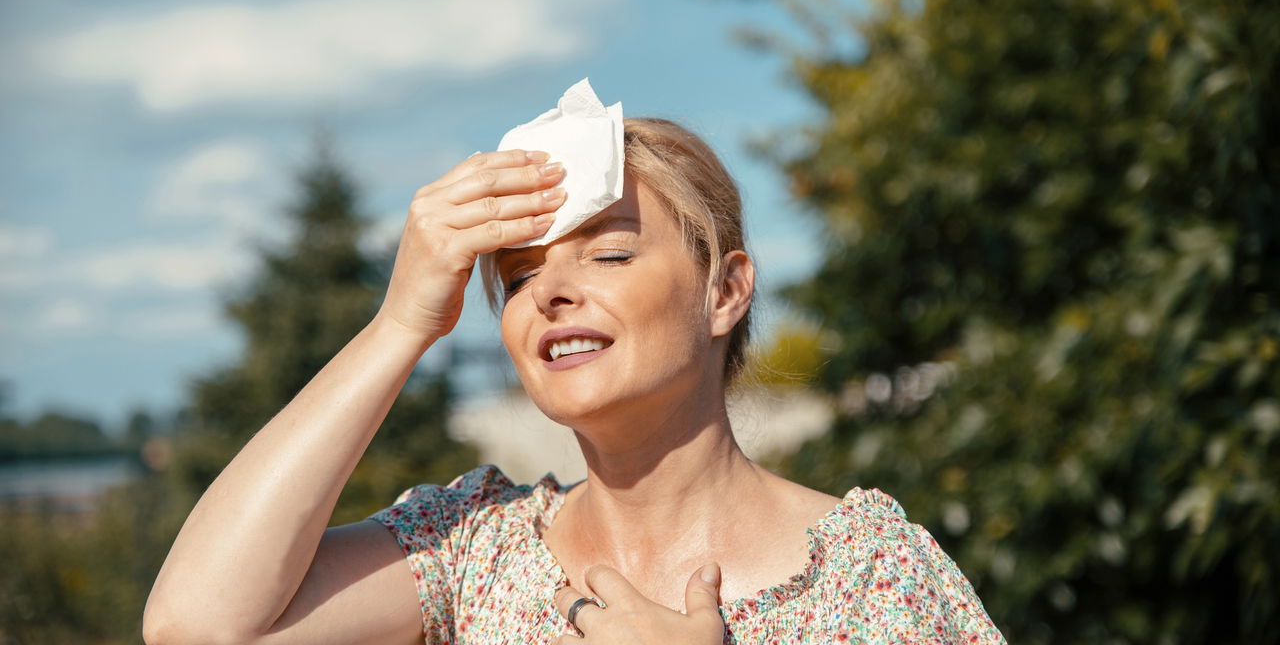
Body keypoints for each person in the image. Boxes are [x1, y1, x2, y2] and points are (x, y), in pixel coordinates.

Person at [143, 118, 1006, 645]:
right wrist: (402, 322)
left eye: (613, 252)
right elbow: (201, 625)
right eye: (516, 279)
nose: (549, 291)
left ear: (727, 291)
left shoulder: (874, 573)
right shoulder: (472, 549)